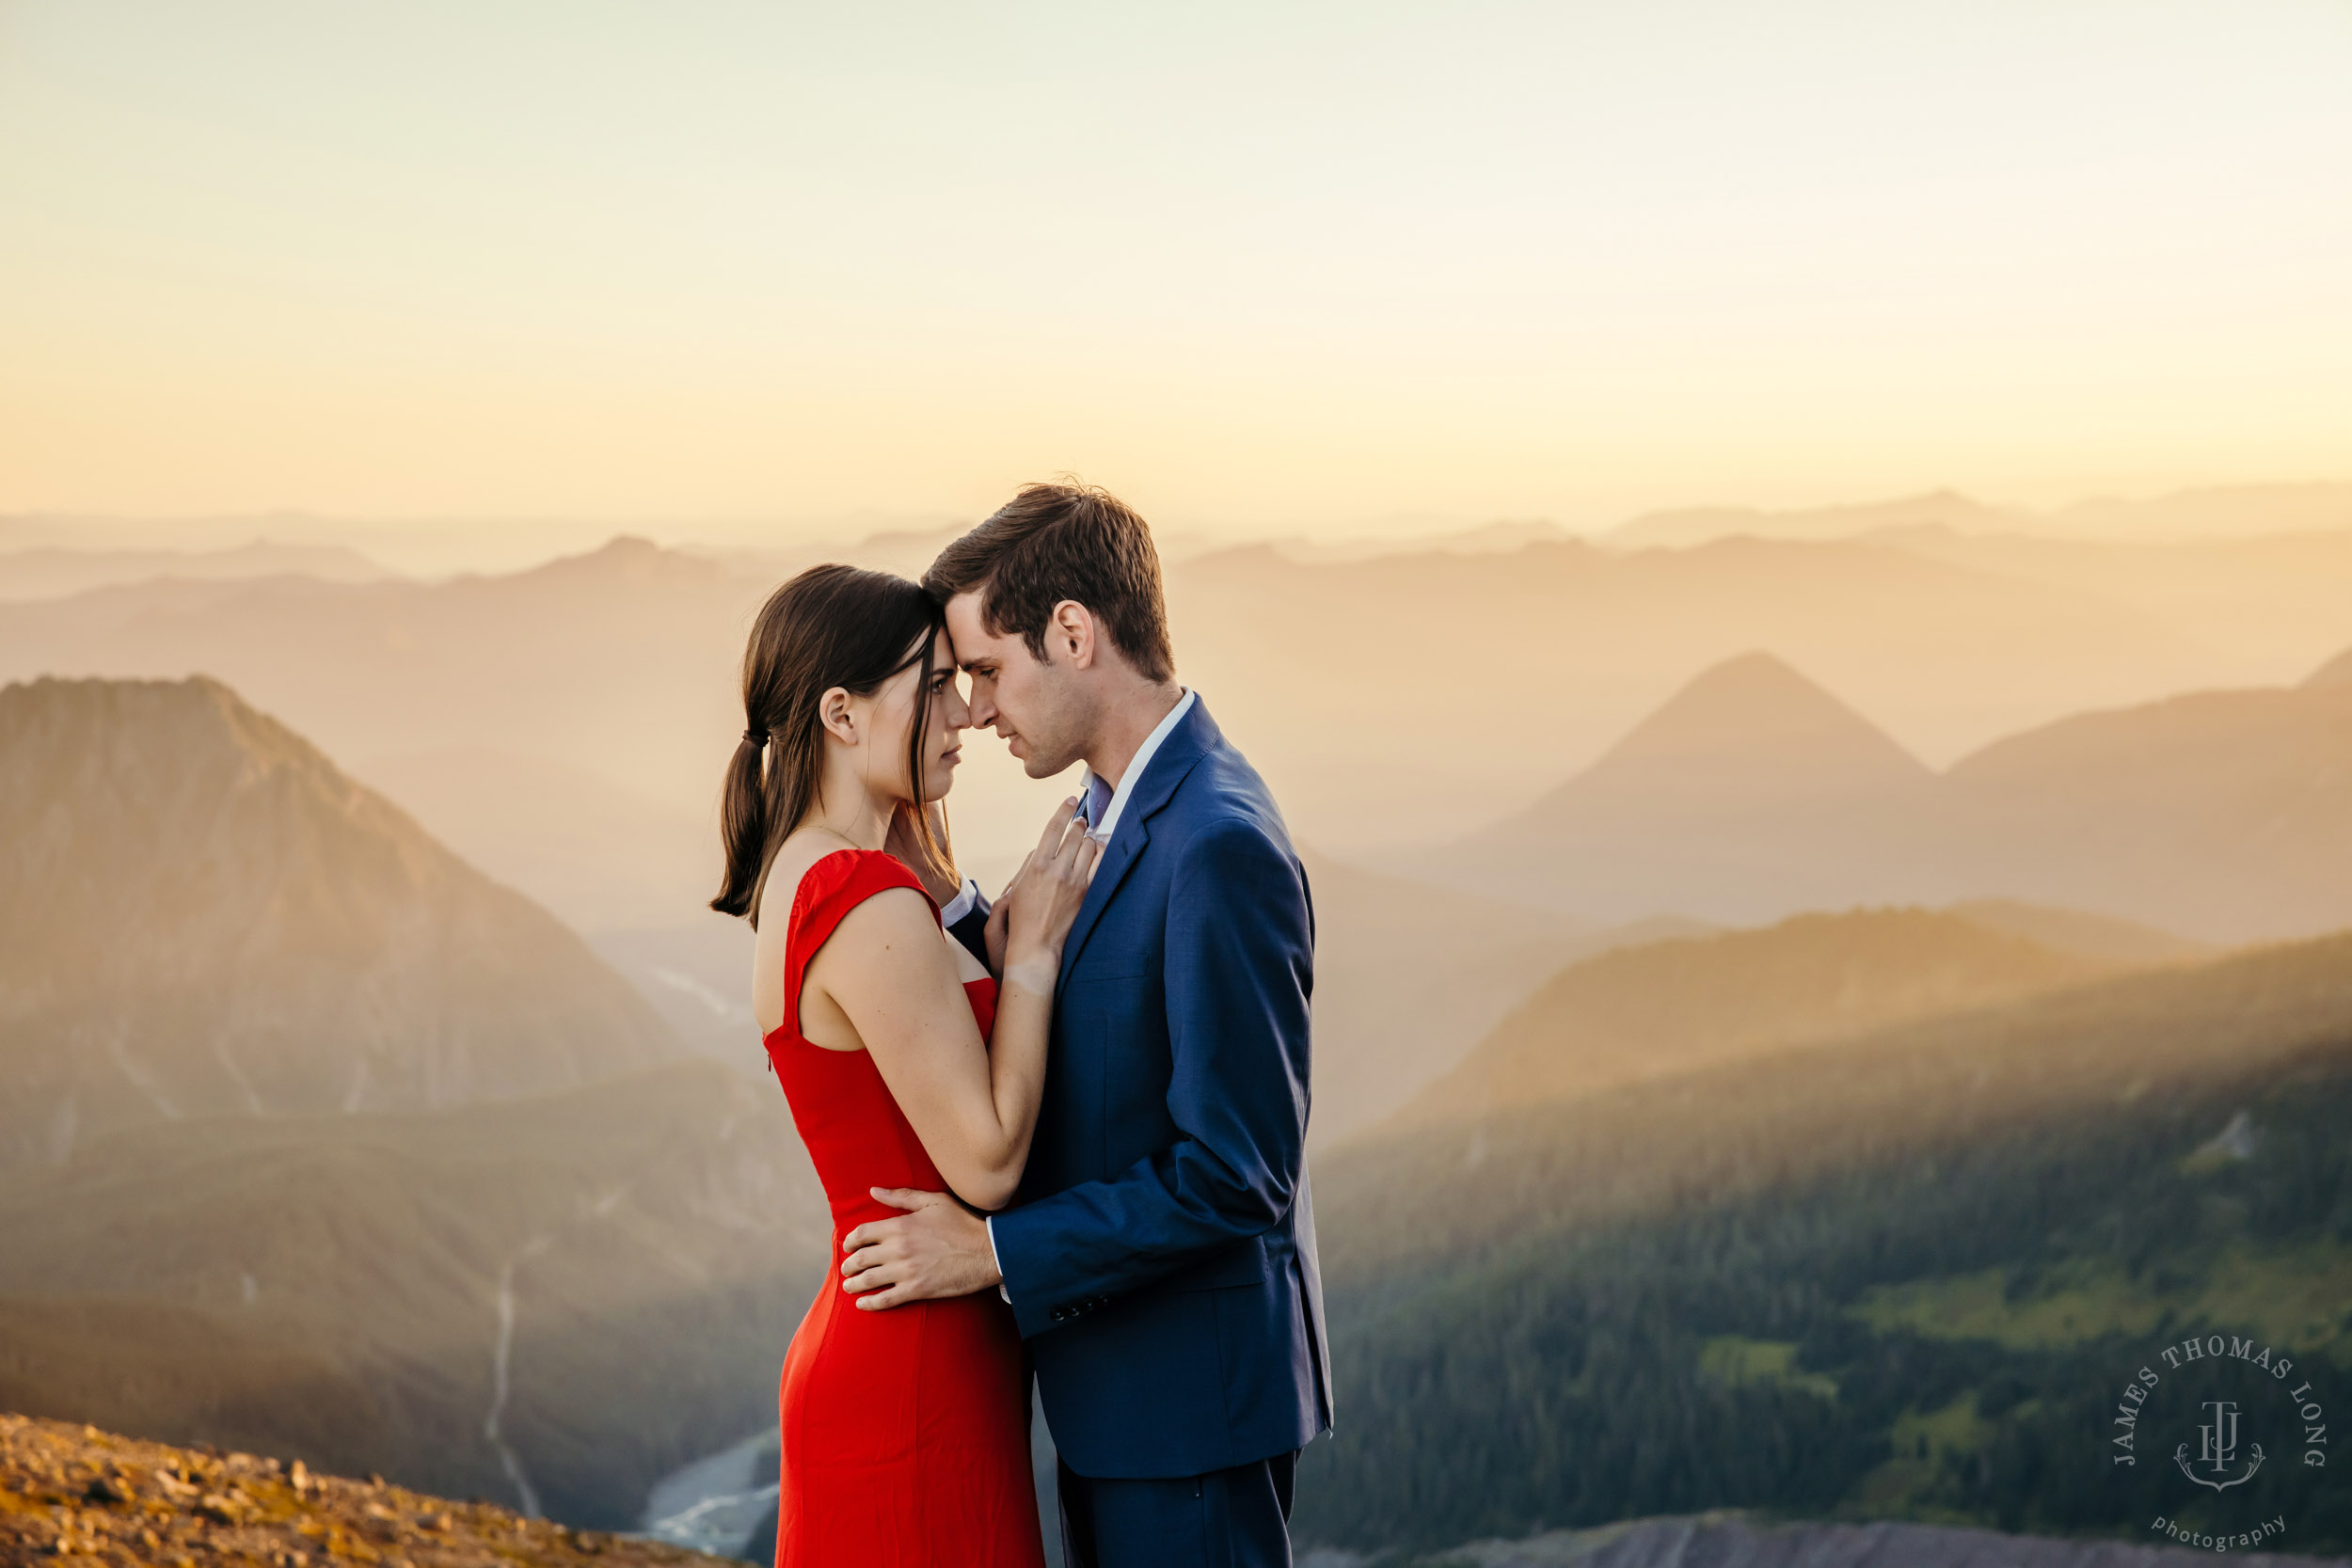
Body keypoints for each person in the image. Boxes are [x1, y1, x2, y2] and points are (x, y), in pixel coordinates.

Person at [837, 483, 1332, 1568]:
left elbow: (1236, 1171)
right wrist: (954, 902)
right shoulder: (1115, 805)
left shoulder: (1217, 842)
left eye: (986, 670)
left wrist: (990, 1251)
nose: (973, 710)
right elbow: (1089, 1000)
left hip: (1185, 1420)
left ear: (1073, 631)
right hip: (1121, 1400)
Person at [709, 562, 1099, 1568]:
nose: (963, 716)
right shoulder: (862, 898)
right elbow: (988, 1160)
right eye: (931, 686)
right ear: (841, 713)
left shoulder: (800, 870)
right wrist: (1037, 959)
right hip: (918, 1369)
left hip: (885, 1343)